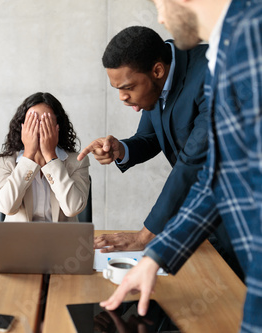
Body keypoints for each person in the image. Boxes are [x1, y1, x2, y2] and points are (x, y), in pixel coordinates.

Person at [101, 1, 262, 331]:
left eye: (161, 2)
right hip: (217, 228)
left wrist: (147, 237)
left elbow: (195, 166)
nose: (160, 16)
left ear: (157, 72)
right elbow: (218, 175)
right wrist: (157, 255)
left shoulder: (240, 46)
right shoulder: (222, 52)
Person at [0, 92, 90, 222]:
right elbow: (7, 207)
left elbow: (72, 208)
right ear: (22, 127)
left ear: (58, 127)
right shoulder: (7, 161)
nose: (39, 128)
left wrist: (50, 157)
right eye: (32, 122)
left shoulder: (77, 161)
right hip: (20, 239)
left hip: (61, 239)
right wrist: (28, 156)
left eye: (46, 122)